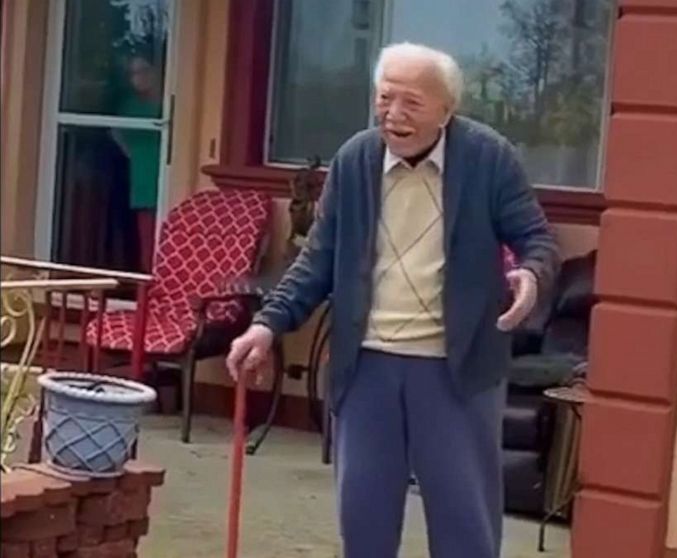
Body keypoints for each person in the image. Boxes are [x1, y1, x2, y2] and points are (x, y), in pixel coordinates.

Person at [226, 43, 560, 558]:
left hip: (457, 370)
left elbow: (536, 240)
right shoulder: (356, 160)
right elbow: (318, 259)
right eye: (385, 98)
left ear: (447, 111)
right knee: (364, 524)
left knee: (464, 529)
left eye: (412, 103)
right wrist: (267, 326)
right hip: (367, 369)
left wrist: (530, 278)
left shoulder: (489, 158)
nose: (394, 115)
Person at [115, 53, 163, 272]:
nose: (138, 77)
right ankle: (148, 286)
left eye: (143, 71)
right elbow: (115, 131)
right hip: (142, 176)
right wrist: (131, 153)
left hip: (166, 174)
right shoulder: (130, 105)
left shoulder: (167, 100)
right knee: (147, 237)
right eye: (133, 73)